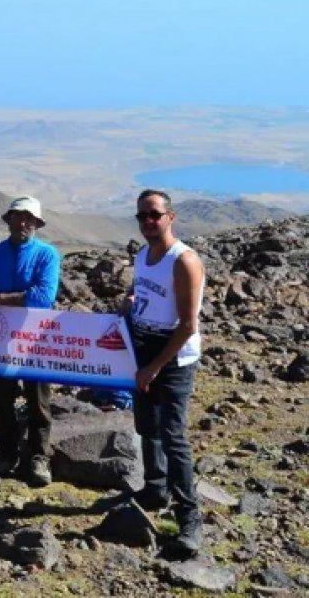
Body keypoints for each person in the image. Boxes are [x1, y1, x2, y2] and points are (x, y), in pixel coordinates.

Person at [126, 189, 205, 559]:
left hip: (172, 358)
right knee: (147, 425)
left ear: (170, 216)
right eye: (142, 216)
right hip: (144, 348)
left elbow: (188, 324)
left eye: (154, 215)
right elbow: (145, 294)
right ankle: (155, 488)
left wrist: (154, 367)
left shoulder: (183, 260)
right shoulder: (143, 254)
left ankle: (190, 519)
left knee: (173, 435)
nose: (148, 222)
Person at [0, 196, 61, 487]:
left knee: (38, 401)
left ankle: (38, 457)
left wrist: (1, 299)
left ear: (36, 224)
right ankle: (7, 453)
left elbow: (43, 297)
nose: (23, 223)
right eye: (17, 217)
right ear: (8, 219)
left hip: (35, 341)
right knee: (1, 400)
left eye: (29, 219)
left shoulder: (47, 255)